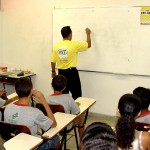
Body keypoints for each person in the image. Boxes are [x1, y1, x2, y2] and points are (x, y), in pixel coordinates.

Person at [4, 77, 60, 150]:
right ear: (31, 91)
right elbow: (53, 124)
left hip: (14, 144)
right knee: (55, 138)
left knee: (38, 133)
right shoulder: (35, 112)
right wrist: (44, 101)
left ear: (16, 91)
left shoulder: (7, 108)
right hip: (32, 147)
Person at [51, 26, 91, 100]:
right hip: (72, 73)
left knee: (62, 96)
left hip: (61, 73)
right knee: (77, 96)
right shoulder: (74, 44)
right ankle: (75, 111)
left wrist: (53, 71)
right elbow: (88, 44)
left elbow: (53, 61)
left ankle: (64, 111)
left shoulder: (56, 46)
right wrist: (88, 34)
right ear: (70, 34)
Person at [46, 74, 84, 140]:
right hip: (65, 126)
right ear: (64, 87)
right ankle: (82, 143)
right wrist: (75, 105)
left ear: (52, 86)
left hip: (50, 125)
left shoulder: (47, 99)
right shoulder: (68, 97)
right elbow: (77, 112)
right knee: (81, 118)